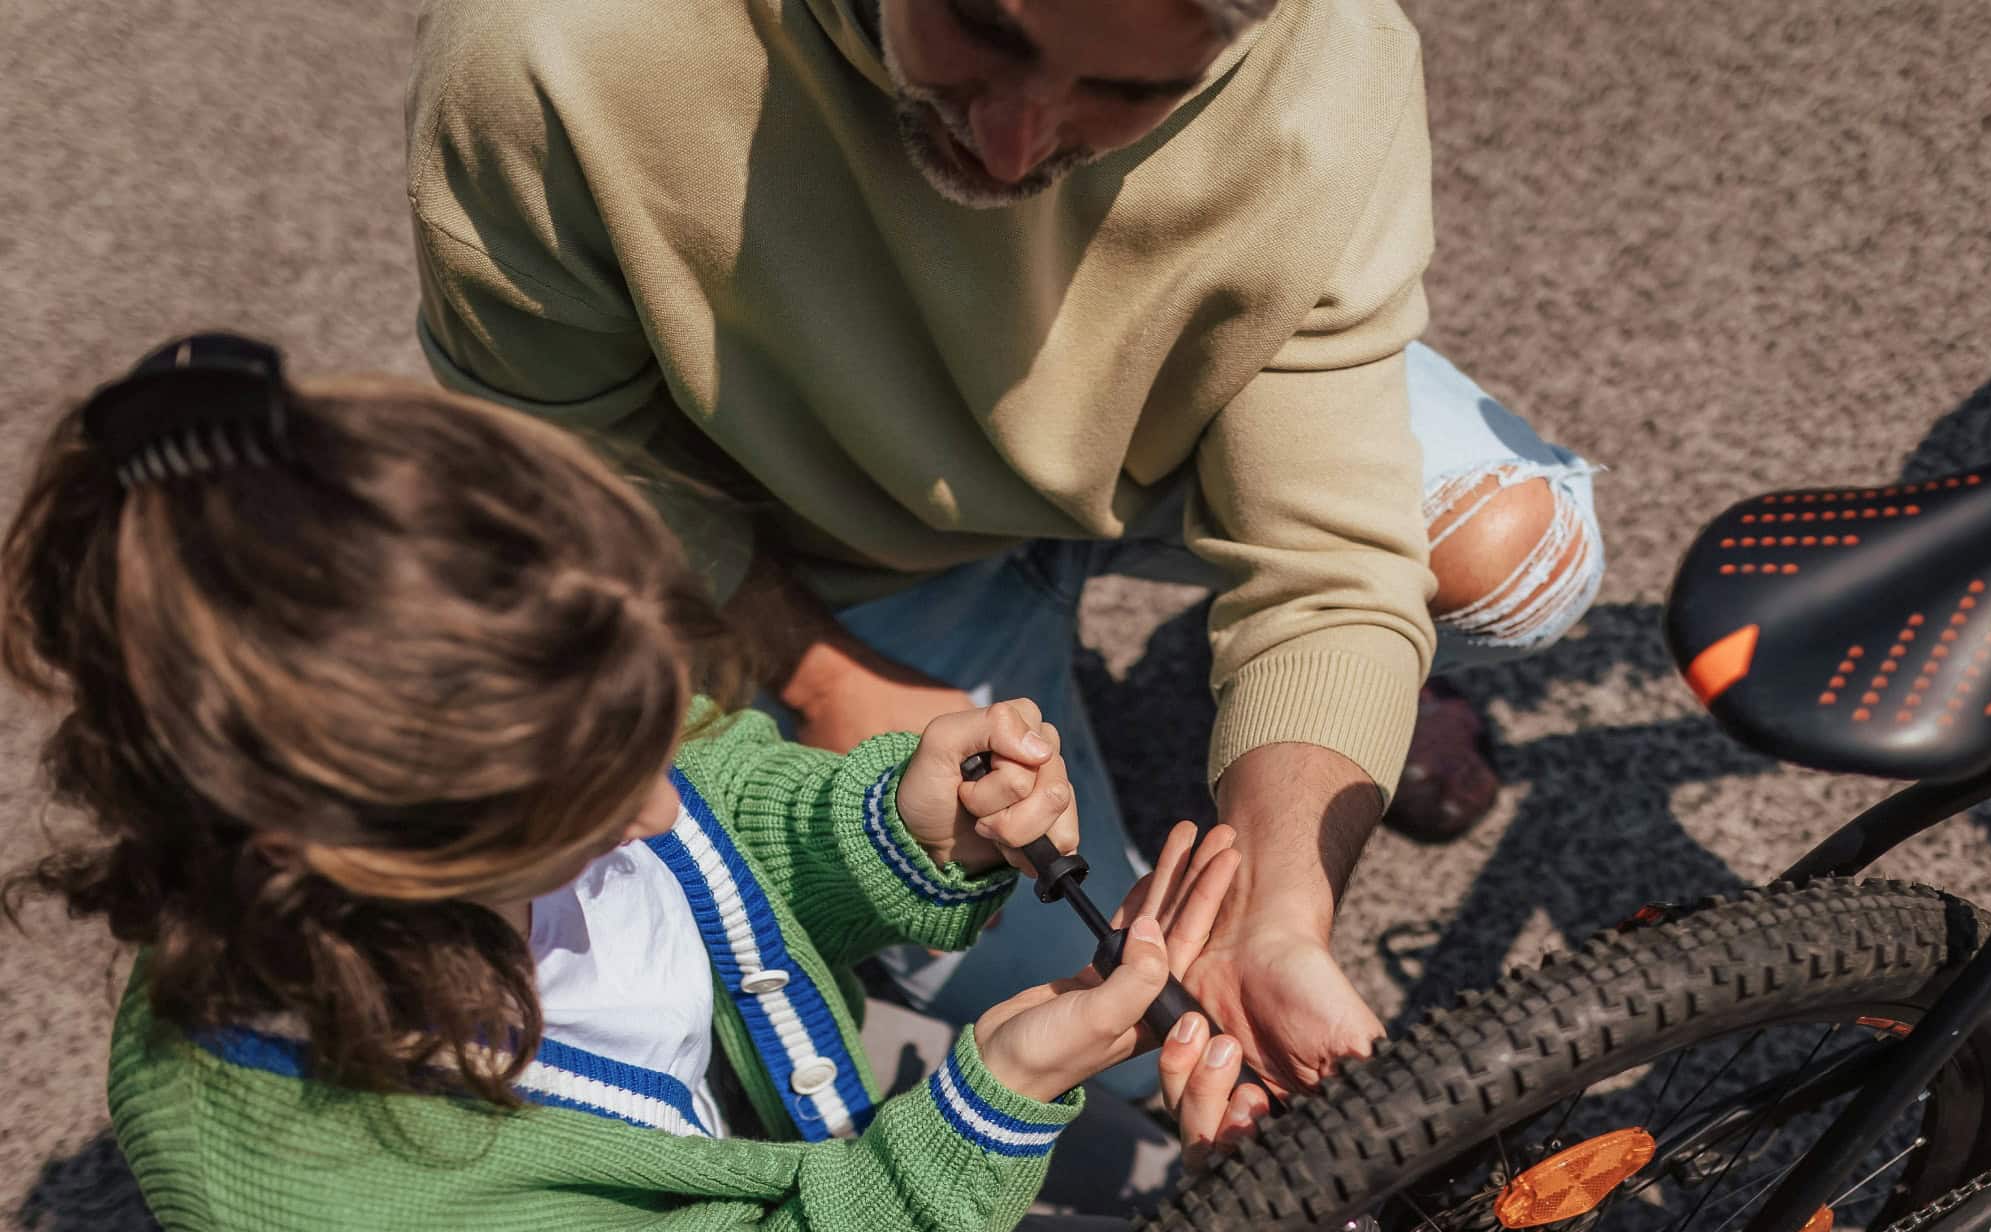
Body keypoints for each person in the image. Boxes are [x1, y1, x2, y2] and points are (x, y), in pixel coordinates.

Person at [0, 333, 1273, 1232]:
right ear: (352, 852)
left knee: (1119, 1157)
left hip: (782, 1099)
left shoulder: (523, 718)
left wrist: (892, 825)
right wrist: (976, 1115)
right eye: (588, 809)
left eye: (656, 720)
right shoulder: (308, 1200)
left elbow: (722, 803)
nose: (662, 816)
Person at [407, 0, 1606, 1093]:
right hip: (812, 546)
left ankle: (1272, 701)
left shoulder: (1332, 57)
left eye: (1128, 96)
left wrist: (1281, 900)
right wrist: (825, 677)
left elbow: (1329, 550)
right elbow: (558, 459)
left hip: (1156, 432)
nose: (1014, 144)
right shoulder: (555, 45)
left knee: (1523, 552)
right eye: (982, 30)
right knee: (1120, 1050)